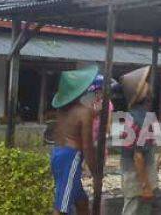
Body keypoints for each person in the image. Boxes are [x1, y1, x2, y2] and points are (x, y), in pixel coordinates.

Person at [50, 65, 100, 215]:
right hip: (71, 157)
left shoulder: (62, 110)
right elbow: (87, 146)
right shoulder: (84, 112)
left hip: (57, 154)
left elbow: (74, 119)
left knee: (82, 202)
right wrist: (96, 173)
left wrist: (95, 113)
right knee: (61, 207)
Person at [119, 66, 159, 215]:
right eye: (145, 84)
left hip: (135, 173)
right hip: (138, 177)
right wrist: (145, 185)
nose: (148, 85)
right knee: (134, 209)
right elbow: (138, 156)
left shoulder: (136, 114)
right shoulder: (140, 118)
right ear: (140, 92)